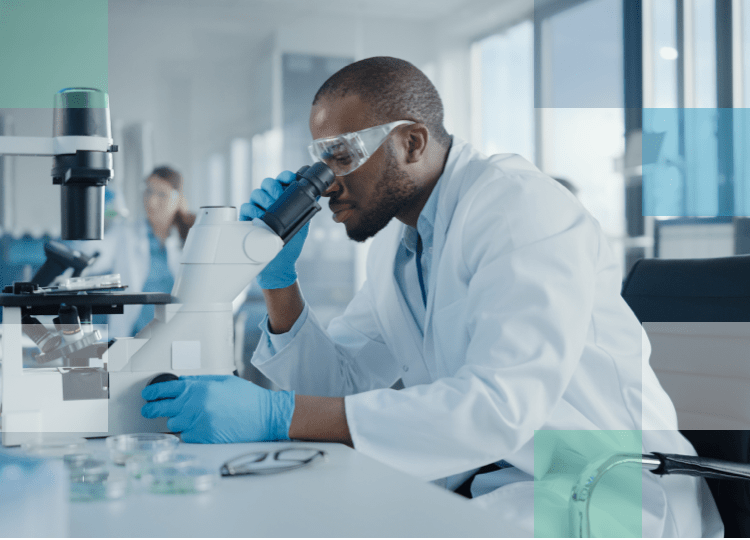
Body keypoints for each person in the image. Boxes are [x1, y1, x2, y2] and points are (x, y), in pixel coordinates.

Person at [142, 58, 721, 536]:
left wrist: (275, 414)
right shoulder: (400, 247)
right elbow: (340, 386)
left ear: (412, 141)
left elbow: (497, 406)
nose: (328, 183)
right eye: (320, 161)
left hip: (602, 495)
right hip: (497, 482)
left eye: (341, 156)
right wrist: (277, 281)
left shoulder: (520, 208)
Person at [79, 166, 195, 337]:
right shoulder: (126, 233)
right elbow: (88, 260)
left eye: (161, 194)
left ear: (178, 199)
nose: (151, 201)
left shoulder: (192, 236)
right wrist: (94, 216)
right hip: (135, 335)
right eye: (148, 191)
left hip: (179, 334)